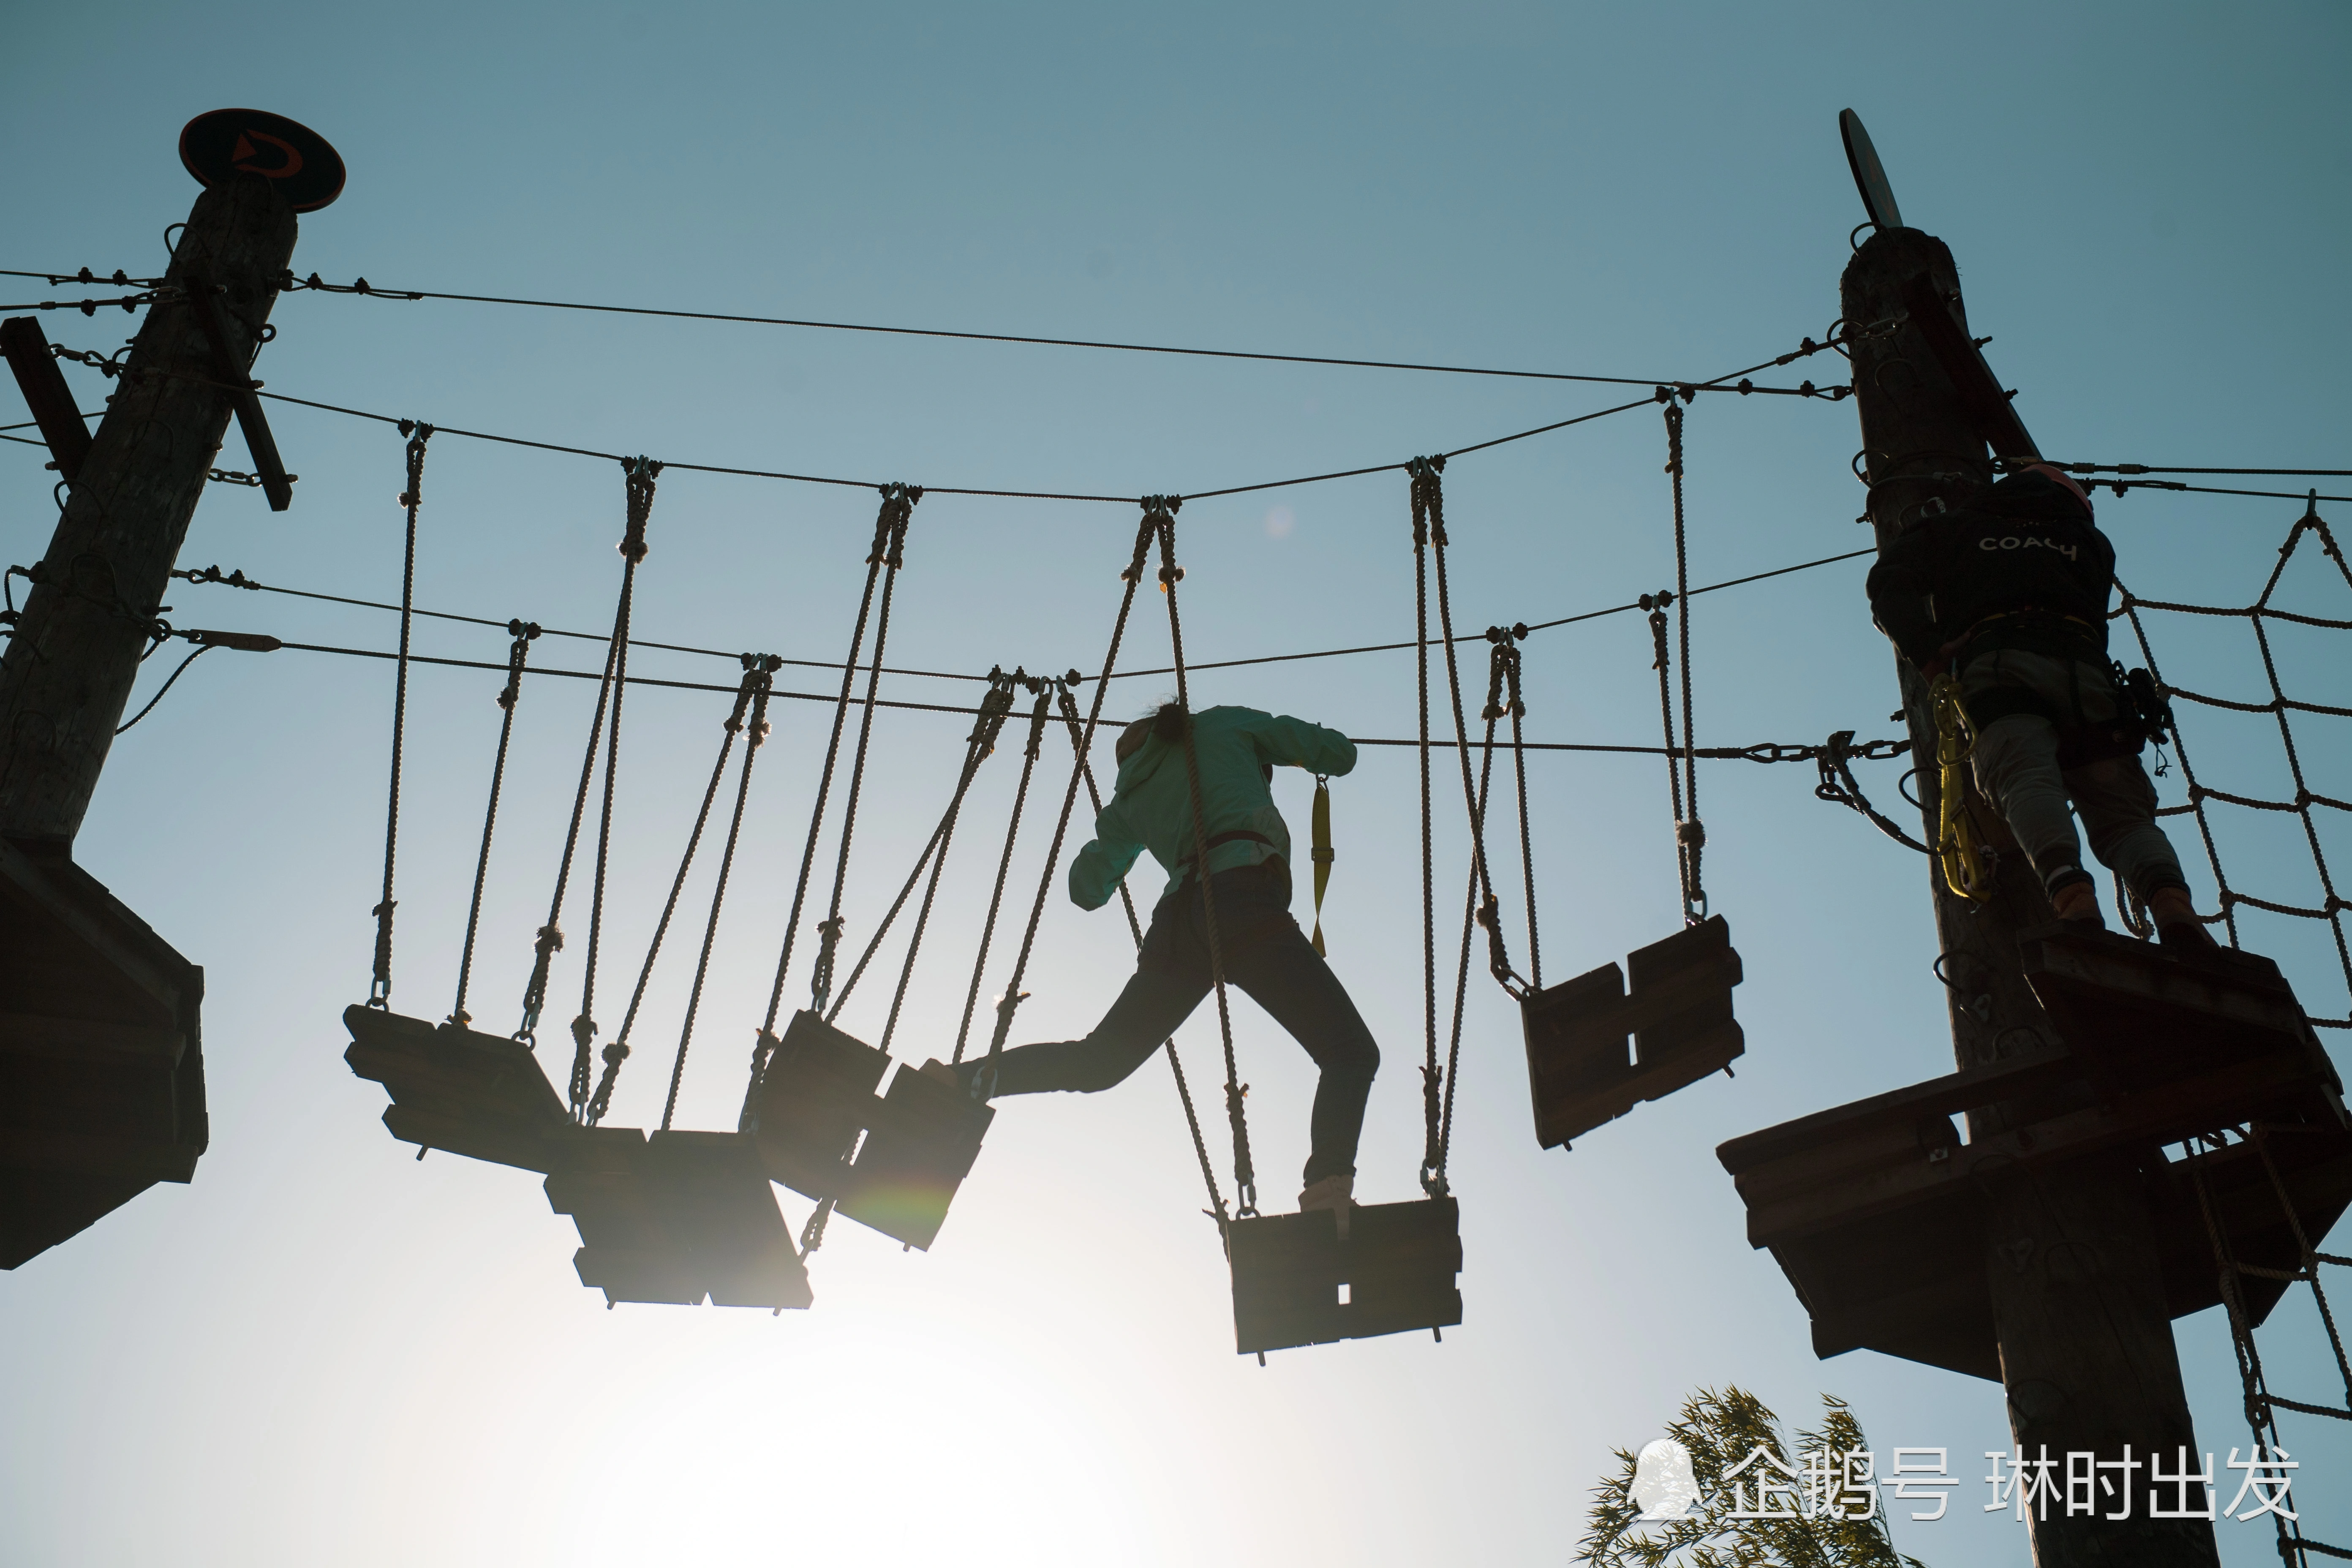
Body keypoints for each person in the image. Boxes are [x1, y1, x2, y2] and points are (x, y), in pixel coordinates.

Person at [945, 701, 1379, 1226]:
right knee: (1350, 1053)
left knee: (1098, 1062)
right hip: (1245, 900)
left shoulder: (1129, 798)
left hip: (1179, 926)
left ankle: (959, 1081)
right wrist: (1280, 750)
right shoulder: (1222, 725)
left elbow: (1085, 891)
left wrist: (1121, 828)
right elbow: (1340, 755)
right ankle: (1327, 1192)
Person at [1865, 462, 2215, 949]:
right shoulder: (2092, 543)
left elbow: (1889, 581)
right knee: (2123, 816)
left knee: (2025, 774)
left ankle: (2073, 898)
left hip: (2001, 663)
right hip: (2088, 675)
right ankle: (2174, 906)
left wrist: (1929, 655)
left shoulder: (1957, 528)